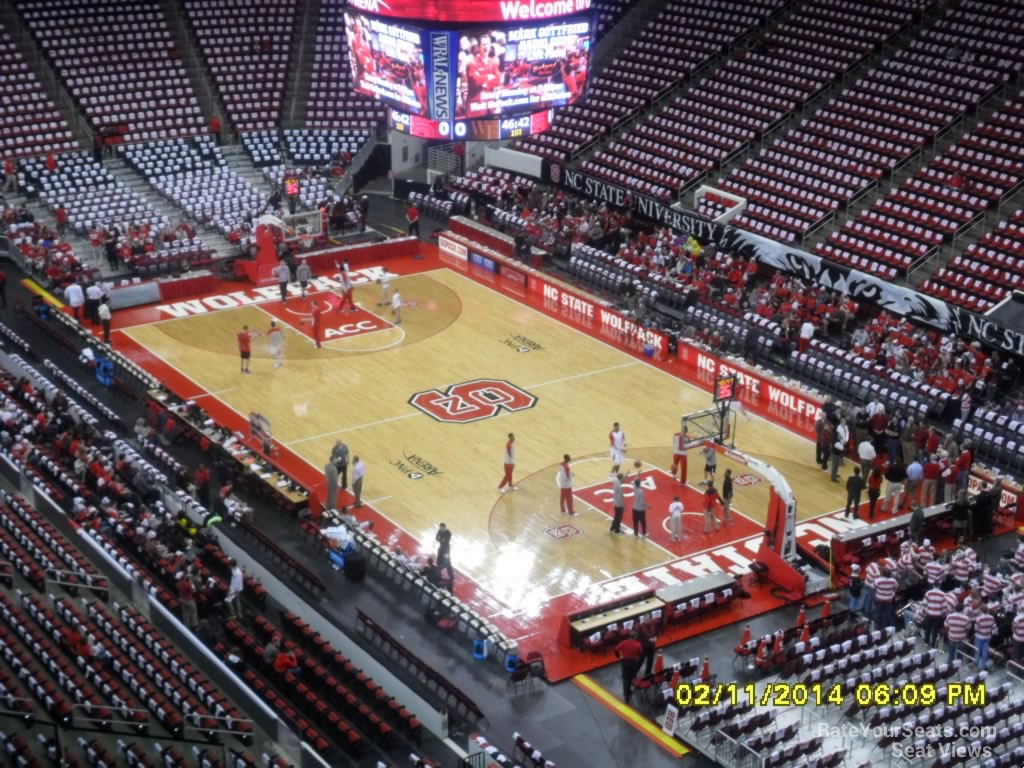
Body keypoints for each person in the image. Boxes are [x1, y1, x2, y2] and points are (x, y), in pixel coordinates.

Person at [614, 631, 644, 704]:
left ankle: (626, 694)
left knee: (625, 678)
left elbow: (615, 649)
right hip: (633, 663)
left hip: (624, 662)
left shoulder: (623, 643)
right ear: (635, 637)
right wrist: (637, 657)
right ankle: (629, 690)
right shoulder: (637, 644)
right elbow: (640, 653)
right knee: (631, 677)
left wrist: (619, 656)